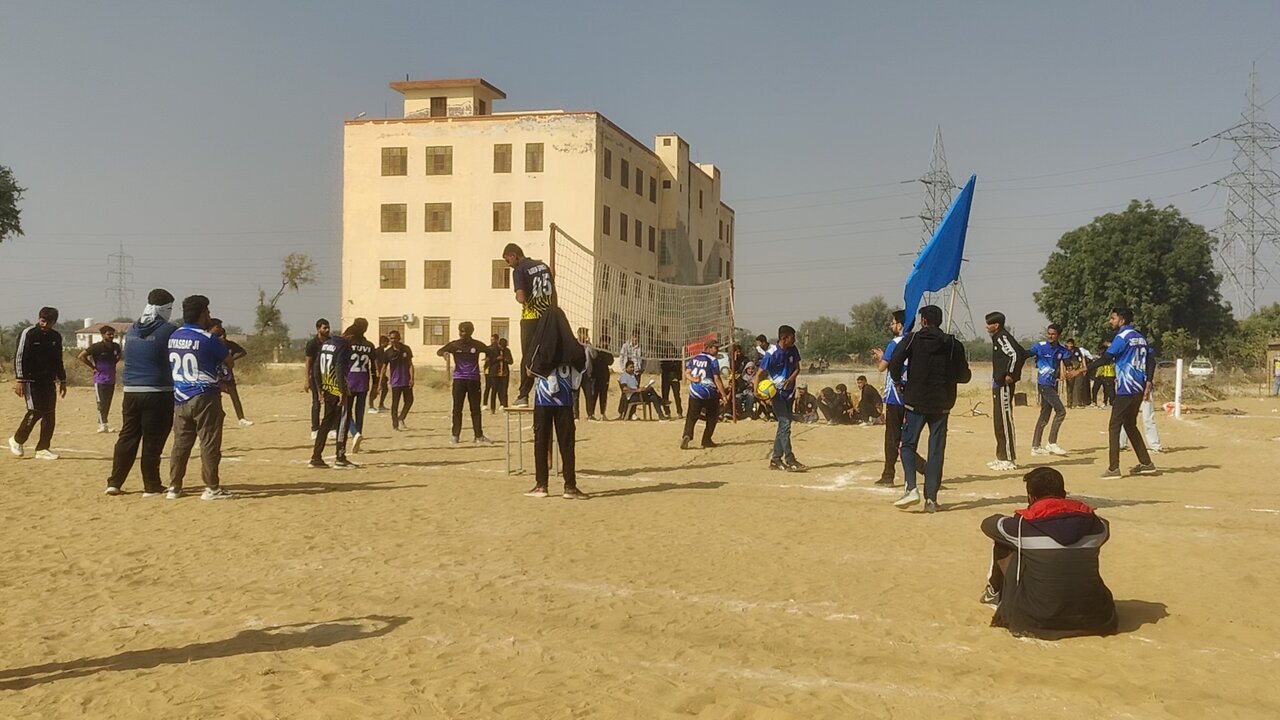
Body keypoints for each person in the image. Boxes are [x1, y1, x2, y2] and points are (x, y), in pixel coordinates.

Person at [979, 467, 1118, 639]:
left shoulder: (1022, 527)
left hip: (1037, 620)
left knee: (1006, 543)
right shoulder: (1097, 526)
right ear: (1064, 494)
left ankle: (994, 592)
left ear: (1031, 497)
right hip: (1097, 618)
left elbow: (988, 524)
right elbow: (1103, 527)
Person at [888, 304, 971, 513]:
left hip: (915, 402)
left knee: (906, 445)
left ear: (923, 321)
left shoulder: (913, 339)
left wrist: (898, 381)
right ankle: (931, 499)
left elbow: (895, 363)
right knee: (936, 451)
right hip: (942, 404)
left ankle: (911, 488)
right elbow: (964, 376)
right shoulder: (954, 344)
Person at [105, 289, 178, 496]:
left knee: (127, 436)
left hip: (131, 391)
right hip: (158, 391)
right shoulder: (169, 330)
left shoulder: (133, 328)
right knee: (153, 439)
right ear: (165, 308)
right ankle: (151, 485)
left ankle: (115, 482)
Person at [166, 295, 233, 499]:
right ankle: (212, 488)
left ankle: (174, 486)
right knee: (209, 442)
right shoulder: (208, 339)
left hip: (180, 397)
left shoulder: (174, 336)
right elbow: (229, 361)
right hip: (204, 396)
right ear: (203, 314)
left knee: (180, 444)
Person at [1087, 308, 1158, 478]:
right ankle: (1146, 463)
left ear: (1122, 320)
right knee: (1130, 425)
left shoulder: (1122, 336)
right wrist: (1148, 382)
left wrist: (1085, 368)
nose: (1110, 321)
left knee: (1114, 425)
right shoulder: (1140, 337)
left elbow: (1106, 358)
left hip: (1126, 388)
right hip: (1138, 388)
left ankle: (1113, 468)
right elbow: (1151, 361)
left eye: (1113, 318)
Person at [9, 306, 67, 461]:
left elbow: (58, 360)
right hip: (30, 379)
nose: (44, 325)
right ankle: (17, 440)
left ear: (54, 322)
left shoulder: (55, 336)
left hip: (48, 380)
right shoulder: (28, 333)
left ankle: (42, 448)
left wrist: (63, 379)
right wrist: (20, 379)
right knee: (35, 411)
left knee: (49, 414)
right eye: (42, 321)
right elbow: (19, 356)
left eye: (48, 322)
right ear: (39, 318)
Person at [523, 363, 587, 499]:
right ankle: (570, 486)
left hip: (543, 399)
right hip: (564, 400)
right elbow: (581, 366)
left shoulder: (540, 346)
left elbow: (529, 371)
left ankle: (541, 485)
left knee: (541, 443)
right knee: (567, 445)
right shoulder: (570, 349)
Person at [503, 243, 555, 407]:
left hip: (531, 317)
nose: (508, 264)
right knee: (548, 352)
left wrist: (519, 295)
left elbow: (521, 298)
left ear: (513, 255)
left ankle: (523, 395)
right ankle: (551, 388)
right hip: (548, 316)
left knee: (528, 356)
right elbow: (554, 292)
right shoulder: (543, 266)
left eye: (507, 261)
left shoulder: (519, 270)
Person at [756, 325, 805, 471]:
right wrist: (757, 393)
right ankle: (790, 459)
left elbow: (797, 368)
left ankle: (775, 459)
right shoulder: (771, 353)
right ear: (784, 338)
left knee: (783, 426)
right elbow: (759, 374)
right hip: (776, 394)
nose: (795, 339)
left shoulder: (793, 350)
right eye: (792, 337)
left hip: (789, 392)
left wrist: (790, 379)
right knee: (785, 424)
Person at [438, 321, 493, 444]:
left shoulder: (477, 345)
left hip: (473, 380)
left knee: (475, 409)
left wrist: (488, 359)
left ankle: (478, 436)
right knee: (457, 409)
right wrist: (444, 354)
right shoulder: (454, 345)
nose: (462, 333)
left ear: (470, 332)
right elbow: (439, 351)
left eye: (464, 331)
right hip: (459, 380)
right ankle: (455, 435)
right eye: (460, 331)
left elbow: (490, 352)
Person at [987, 311, 1029, 472]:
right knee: (998, 420)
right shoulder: (997, 338)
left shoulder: (1002, 337)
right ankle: (1001, 456)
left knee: (1005, 420)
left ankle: (1009, 457)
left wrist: (1011, 374)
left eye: (989, 324)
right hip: (997, 384)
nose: (986, 326)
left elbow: (1016, 354)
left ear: (996, 325)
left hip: (1004, 384)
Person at [309, 320, 354, 469]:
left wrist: (320, 388)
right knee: (342, 422)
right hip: (337, 389)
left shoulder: (325, 344)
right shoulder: (343, 346)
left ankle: (316, 456)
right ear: (350, 336)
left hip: (327, 387)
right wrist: (341, 390)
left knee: (326, 423)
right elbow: (340, 368)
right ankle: (340, 457)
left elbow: (316, 367)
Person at [1029, 324, 1078, 456]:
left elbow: (1068, 363)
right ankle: (1052, 443)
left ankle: (1036, 446)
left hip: (1052, 384)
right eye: (1048, 333)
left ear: (1058, 335)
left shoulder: (1062, 350)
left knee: (1045, 414)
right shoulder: (1040, 346)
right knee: (1061, 411)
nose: (1050, 336)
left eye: (1053, 334)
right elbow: (1025, 354)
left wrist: (1072, 370)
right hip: (1044, 385)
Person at [871, 310, 906, 486]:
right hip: (911, 395)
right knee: (906, 436)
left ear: (900, 325)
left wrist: (881, 357)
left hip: (895, 397)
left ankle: (889, 475)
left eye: (893, 323)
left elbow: (882, 367)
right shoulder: (914, 341)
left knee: (893, 438)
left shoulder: (895, 343)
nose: (892, 326)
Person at [680, 339, 727, 448]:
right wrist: (723, 395)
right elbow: (717, 378)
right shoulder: (713, 360)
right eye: (715, 348)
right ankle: (706, 440)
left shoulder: (695, 358)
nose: (717, 350)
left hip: (695, 392)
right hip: (709, 392)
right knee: (712, 417)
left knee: (691, 416)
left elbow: (687, 373)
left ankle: (687, 435)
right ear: (709, 348)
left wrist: (693, 379)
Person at [78, 324, 122, 433]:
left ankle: (105, 424)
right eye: (109, 334)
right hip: (100, 379)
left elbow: (118, 356)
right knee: (101, 402)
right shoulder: (96, 347)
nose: (111, 336)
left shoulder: (116, 346)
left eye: (112, 334)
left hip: (111, 379)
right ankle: (101, 424)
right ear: (103, 335)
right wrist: (93, 367)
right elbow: (81, 356)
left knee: (107, 402)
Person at [210, 319, 252, 427]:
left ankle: (241, 419)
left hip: (227, 375)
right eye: (220, 335)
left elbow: (243, 352)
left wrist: (232, 359)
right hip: (214, 376)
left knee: (234, 396)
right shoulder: (213, 345)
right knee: (214, 399)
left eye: (224, 335)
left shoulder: (229, 345)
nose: (223, 337)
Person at [343, 319, 375, 452]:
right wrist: (376, 383)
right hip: (363, 381)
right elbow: (374, 367)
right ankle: (358, 437)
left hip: (349, 381)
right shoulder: (369, 345)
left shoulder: (348, 344)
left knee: (345, 411)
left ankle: (354, 433)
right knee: (359, 412)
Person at [303, 318, 331, 439]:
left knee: (331, 403)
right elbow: (308, 362)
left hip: (329, 376)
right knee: (316, 402)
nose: (327, 330)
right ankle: (315, 429)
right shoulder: (312, 344)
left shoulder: (331, 342)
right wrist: (306, 380)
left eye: (328, 327)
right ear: (318, 329)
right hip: (316, 376)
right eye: (324, 328)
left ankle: (331, 428)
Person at [383, 329, 414, 431]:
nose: (393, 340)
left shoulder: (406, 349)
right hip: (395, 382)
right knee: (395, 403)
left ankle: (402, 417)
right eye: (391, 338)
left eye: (395, 338)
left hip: (406, 380)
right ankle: (395, 425)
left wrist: (412, 378)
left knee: (409, 401)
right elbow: (384, 367)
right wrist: (380, 382)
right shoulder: (388, 352)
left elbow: (410, 364)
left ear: (399, 338)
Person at [587, 335, 613, 420]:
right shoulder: (595, 349)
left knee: (603, 395)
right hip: (595, 376)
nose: (605, 343)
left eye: (607, 342)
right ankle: (591, 414)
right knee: (593, 395)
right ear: (600, 341)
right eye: (604, 341)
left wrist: (605, 354)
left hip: (604, 376)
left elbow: (610, 361)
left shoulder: (607, 351)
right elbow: (594, 358)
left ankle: (602, 414)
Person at [486, 336, 514, 414]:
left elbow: (511, 361)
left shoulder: (507, 351)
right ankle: (492, 408)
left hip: (504, 373)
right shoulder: (492, 350)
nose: (502, 348)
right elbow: (489, 362)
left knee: (504, 391)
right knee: (494, 391)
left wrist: (504, 359)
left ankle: (505, 407)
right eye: (501, 346)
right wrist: (497, 359)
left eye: (504, 347)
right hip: (494, 373)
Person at [660, 348, 685, 419]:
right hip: (666, 378)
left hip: (675, 378)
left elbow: (679, 368)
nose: (671, 353)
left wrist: (678, 377)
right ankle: (667, 412)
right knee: (665, 396)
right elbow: (664, 368)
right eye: (669, 352)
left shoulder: (677, 360)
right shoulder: (664, 359)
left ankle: (679, 412)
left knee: (677, 396)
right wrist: (672, 366)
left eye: (672, 352)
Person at [369, 334, 390, 414]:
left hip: (381, 373)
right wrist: (379, 372)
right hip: (378, 373)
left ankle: (381, 405)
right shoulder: (379, 351)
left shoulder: (382, 351)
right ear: (383, 342)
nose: (388, 344)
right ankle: (371, 406)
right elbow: (376, 361)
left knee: (385, 389)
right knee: (375, 389)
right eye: (387, 342)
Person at [1063, 339, 1087, 409]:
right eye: (1068, 344)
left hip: (1078, 370)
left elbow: (1082, 359)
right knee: (1070, 387)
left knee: (1078, 387)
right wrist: (1064, 371)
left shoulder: (1077, 350)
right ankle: (1069, 403)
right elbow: (1062, 362)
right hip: (1069, 371)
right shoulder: (1065, 351)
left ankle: (1076, 403)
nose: (1070, 345)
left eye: (1071, 344)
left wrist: (1084, 368)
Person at [482, 333, 499, 412]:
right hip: (487, 369)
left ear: (497, 340)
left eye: (493, 339)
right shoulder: (488, 348)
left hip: (494, 370)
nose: (492, 341)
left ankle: (493, 407)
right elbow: (487, 358)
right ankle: (485, 404)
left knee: (494, 388)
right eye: (491, 339)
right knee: (487, 387)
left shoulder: (499, 349)